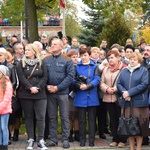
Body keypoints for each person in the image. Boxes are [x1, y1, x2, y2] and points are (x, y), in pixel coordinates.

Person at [17, 43, 48, 150]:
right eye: (25, 50)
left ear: (34, 51)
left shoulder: (41, 63)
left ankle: (41, 140)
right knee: (29, 117)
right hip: (26, 94)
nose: (26, 52)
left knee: (41, 117)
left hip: (40, 94)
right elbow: (21, 77)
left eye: (29, 50)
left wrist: (38, 87)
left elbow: (45, 77)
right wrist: (30, 87)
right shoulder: (21, 63)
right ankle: (30, 139)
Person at [44, 39, 74, 149]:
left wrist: (57, 87)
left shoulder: (67, 60)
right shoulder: (46, 60)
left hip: (62, 93)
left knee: (64, 116)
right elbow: (43, 75)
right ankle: (53, 139)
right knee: (52, 117)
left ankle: (65, 139)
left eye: (55, 44)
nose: (52, 46)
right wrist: (47, 86)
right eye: (51, 44)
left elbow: (70, 77)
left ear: (61, 47)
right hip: (50, 93)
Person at [117, 52, 149, 150]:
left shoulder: (143, 70)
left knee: (139, 127)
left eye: (134, 59)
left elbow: (144, 84)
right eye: (131, 59)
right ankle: (131, 147)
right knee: (129, 127)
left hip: (139, 103)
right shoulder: (124, 70)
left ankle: (138, 147)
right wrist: (124, 93)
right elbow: (119, 83)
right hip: (127, 103)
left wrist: (129, 93)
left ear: (138, 60)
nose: (132, 61)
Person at [73, 48, 100, 147]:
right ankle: (82, 140)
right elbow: (72, 79)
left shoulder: (95, 66)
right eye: (82, 55)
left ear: (89, 55)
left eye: (85, 55)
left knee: (92, 120)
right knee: (81, 120)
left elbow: (97, 79)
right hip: (80, 95)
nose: (83, 57)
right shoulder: (76, 67)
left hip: (92, 95)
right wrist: (79, 85)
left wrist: (88, 86)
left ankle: (92, 141)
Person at [100, 50, 127, 148]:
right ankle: (115, 139)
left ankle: (123, 139)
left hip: (119, 97)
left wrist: (115, 89)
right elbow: (101, 82)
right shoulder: (106, 69)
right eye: (109, 58)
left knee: (121, 118)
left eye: (112, 57)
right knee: (113, 119)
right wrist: (107, 89)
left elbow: (124, 82)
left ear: (118, 58)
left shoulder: (123, 69)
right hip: (108, 97)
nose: (110, 60)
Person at [67, 50, 79, 142]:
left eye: (76, 56)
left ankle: (77, 132)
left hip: (78, 92)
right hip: (69, 93)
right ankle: (69, 133)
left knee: (77, 115)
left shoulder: (79, 66)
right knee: (70, 114)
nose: (75, 58)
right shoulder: (67, 66)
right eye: (73, 57)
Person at [0, 65, 13, 150]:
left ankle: (5, 145)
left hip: (4, 110)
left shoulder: (8, 84)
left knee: (4, 127)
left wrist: (0, 108)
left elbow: (7, 98)